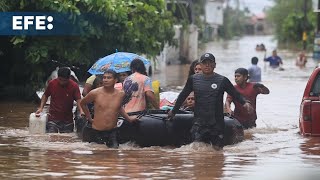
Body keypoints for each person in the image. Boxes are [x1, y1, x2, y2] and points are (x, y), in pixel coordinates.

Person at [168, 53, 253, 150]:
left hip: (216, 124)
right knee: (197, 150)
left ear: (215, 65)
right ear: (201, 64)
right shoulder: (193, 79)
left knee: (217, 152)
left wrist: (245, 103)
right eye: (205, 63)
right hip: (199, 123)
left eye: (210, 63)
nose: (207, 65)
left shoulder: (222, 80)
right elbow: (183, 95)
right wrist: (174, 111)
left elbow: (235, 94)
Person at [80, 69, 138, 148]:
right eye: (104, 78)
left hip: (112, 132)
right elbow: (82, 103)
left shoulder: (121, 94)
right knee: (97, 157)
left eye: (109, 78)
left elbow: (118, 107)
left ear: (115, 80)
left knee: (113, 156)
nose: (106, 80)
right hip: (97, 132)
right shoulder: (95, 93)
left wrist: (129, 118)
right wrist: (89, 118)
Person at [35, 67, 83, 133]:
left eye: (64, 80)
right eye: (60, 79)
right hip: (53, 119)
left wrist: (81, 111)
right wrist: (41, 108)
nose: (62, 82)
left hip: (68, 121)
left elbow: (78, 100)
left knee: (67, 140)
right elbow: (45, 95)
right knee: (51, 138)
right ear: (57, 77)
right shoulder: (52, 83)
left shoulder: (74, 86)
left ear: (69, 78)